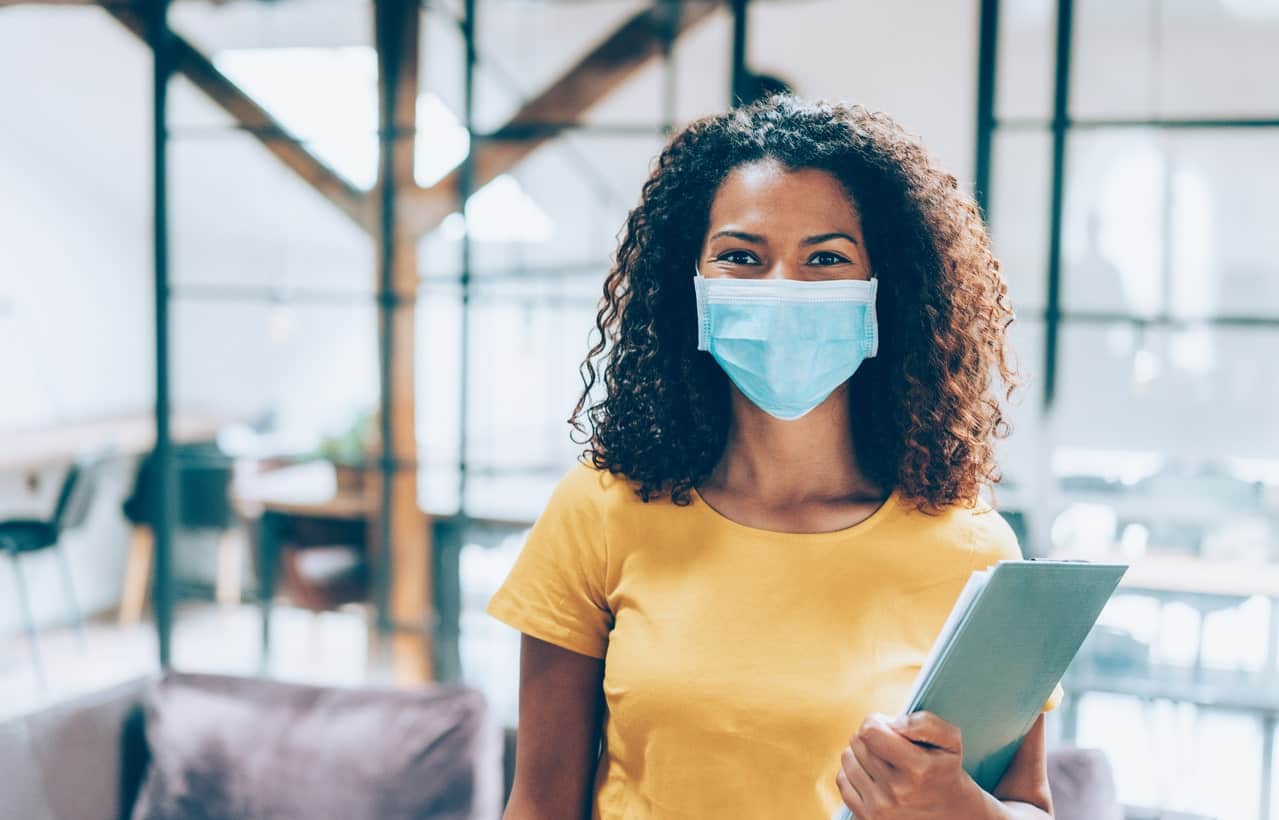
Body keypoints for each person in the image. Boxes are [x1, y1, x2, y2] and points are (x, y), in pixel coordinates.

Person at [487, 95, 1059, 820]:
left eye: (825, 258)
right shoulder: (597, 511)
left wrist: (959, 810)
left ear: (887, 290)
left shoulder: (971, 546)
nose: (782, 287)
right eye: (739, 257)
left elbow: (1028, 805)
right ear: (684, 283)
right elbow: (538, 805)